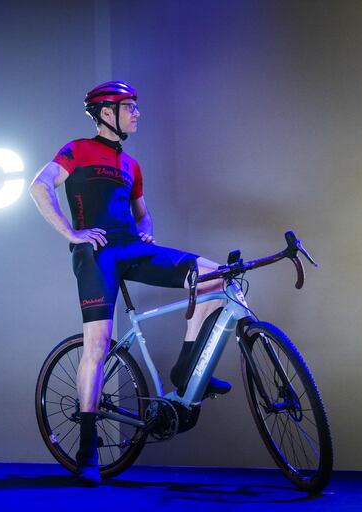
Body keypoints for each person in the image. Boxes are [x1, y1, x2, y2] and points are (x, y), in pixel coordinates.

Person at [29, 81, 231, 486]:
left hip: (130, 248)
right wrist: (72, 233)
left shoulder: (131, 165)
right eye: (130, 107)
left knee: (212, 275)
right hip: (97, 253)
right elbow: (39, 185)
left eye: (137, 107)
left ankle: (187, 369)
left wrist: (147, 232)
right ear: (107, 113)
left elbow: (144, 213)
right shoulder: (77, 149)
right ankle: (87, 450)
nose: (137, 113)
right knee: (98, 345)